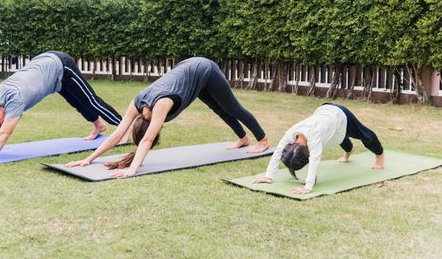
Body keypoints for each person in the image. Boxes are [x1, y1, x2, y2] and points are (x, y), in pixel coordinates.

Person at [65, 57, 270, 177]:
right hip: (188, 73)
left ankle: (262, 140)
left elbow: (147, 139)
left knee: (232, 108)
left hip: (203, 69)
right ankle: (243, 139)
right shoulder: (137, 103)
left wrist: (133, 169)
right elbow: (118, 134)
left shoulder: (161, 104)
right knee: (218, 109)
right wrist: (88, 159)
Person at [0, 51, 123, 168]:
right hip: (51, 76)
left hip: (60, 65)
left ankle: (125, 126)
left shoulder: (14, 99)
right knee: (78, 102)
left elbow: (4, 133)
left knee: (92, 101)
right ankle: (98, 126)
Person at [254, 103, 385, 194]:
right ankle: (349, 151)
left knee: (364, 135)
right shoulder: (291, 134)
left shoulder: (314, 137)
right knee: (337, 138)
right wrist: (268, 176)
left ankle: (380, 155)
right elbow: (278, 152)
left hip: (339, 113)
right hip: (324, 113)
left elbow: (315, 160)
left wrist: (308, 186)